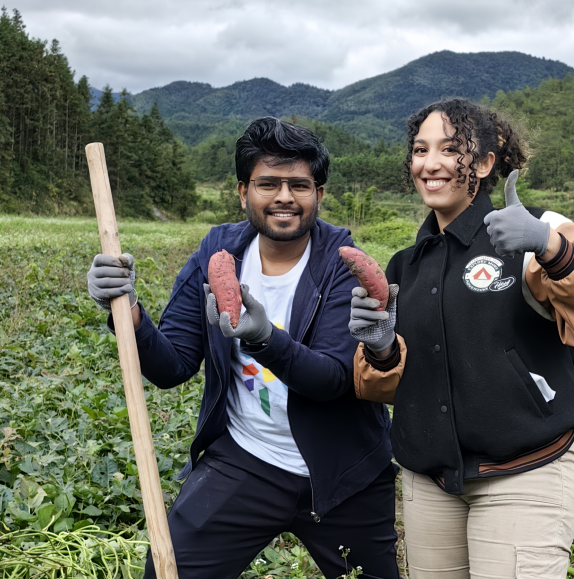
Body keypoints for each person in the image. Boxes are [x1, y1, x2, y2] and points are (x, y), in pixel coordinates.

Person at [87, 117, 399, 579]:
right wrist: (128, 312)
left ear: (318, 194)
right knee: (170, 570)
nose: (284, 197)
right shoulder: (218, 251)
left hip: (342, 473)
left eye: (300, 184)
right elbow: (173, 364)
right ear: (242, 191)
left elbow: (333, 380)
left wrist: (263, 339)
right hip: (247, 461)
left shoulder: (341, 262)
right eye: (267, 183)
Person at [349, 98, 574, 579]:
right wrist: (380, 350)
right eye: (420, 150)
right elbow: (388, 388)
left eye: (450, 149)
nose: (431, 163)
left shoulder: (539, 232)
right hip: (432, 485)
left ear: (485, 163)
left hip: (524, 476)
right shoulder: (407, 265)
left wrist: (551, 248)